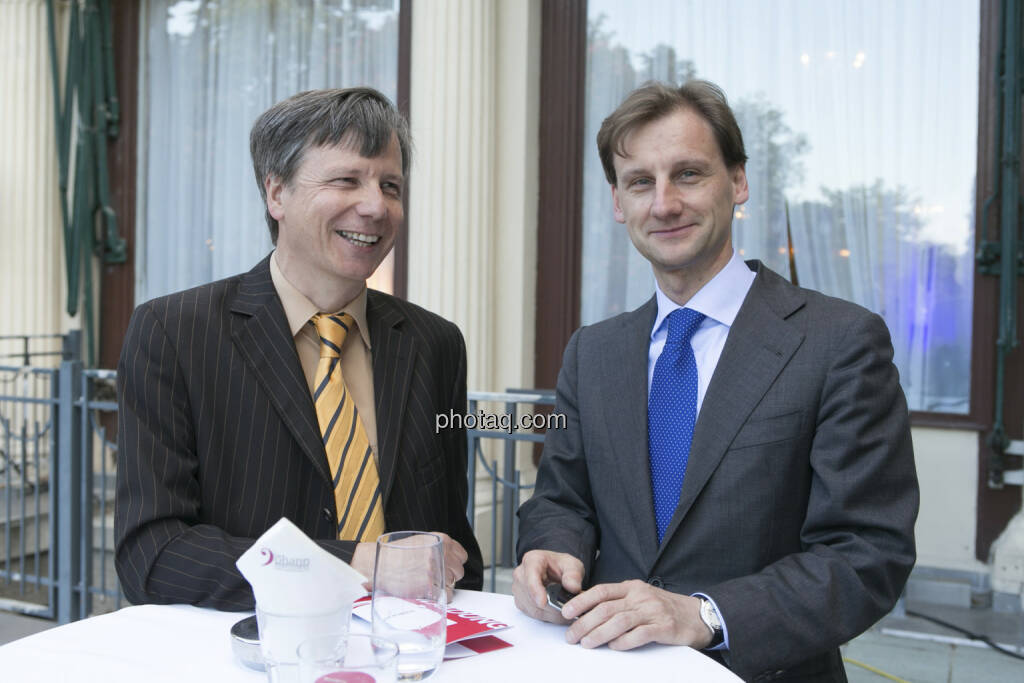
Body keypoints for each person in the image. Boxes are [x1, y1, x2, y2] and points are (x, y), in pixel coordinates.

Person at [512, 80, 918, 682]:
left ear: (739, 182)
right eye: (640, 182)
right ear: (618, 202)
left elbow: (867, 554)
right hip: (606, 667)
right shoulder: (593, 352)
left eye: (689, 174)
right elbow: (562, 499)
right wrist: (554, 547)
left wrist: (705, 614)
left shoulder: (839, 343)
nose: (665, 203)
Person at [115, 87, 482, 610]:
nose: (376, 206)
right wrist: (354, 563)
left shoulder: (435, 344)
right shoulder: (174, 333)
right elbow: (153, 555)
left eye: (391, 186)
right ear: (276, 193)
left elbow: (450, 543)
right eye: (346, 180)